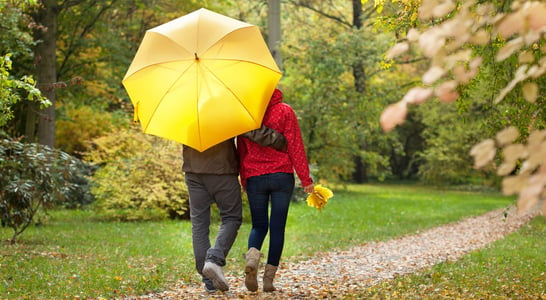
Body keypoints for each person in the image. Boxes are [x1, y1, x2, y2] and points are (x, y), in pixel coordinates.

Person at [182, 125, 286, 293]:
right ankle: (214, 260)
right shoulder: (224, 106)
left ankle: (209, 282)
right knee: (231, 217)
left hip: (192, 171)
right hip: (221, 170)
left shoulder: (185, 109)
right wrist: (281, 140)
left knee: (199, 225)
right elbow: (250, 130)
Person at [237, 88, 314, 292]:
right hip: (281, 176)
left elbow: (241, 150)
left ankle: (252, 259)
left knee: (258, 226)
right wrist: (306, 179)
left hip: (255, 176)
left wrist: (244, 179)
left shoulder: (247, 116)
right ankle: (269, 280)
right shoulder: (285, 111)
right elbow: (295, 146)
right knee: (277, 228)